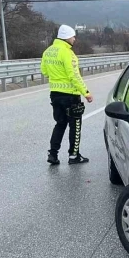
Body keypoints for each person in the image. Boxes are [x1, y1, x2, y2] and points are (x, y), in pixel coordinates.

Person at [41, 24, 93, 165]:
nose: (74, 39)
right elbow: (74, 76)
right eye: (73, 36)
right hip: (70, 96)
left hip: (55, 94)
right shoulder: (68, 53)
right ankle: (73, 155)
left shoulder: (48, 51)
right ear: (67, 37)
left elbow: (44, 71)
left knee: (60, 124)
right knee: (75, 126)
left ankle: (53, 154)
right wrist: (86, 92)